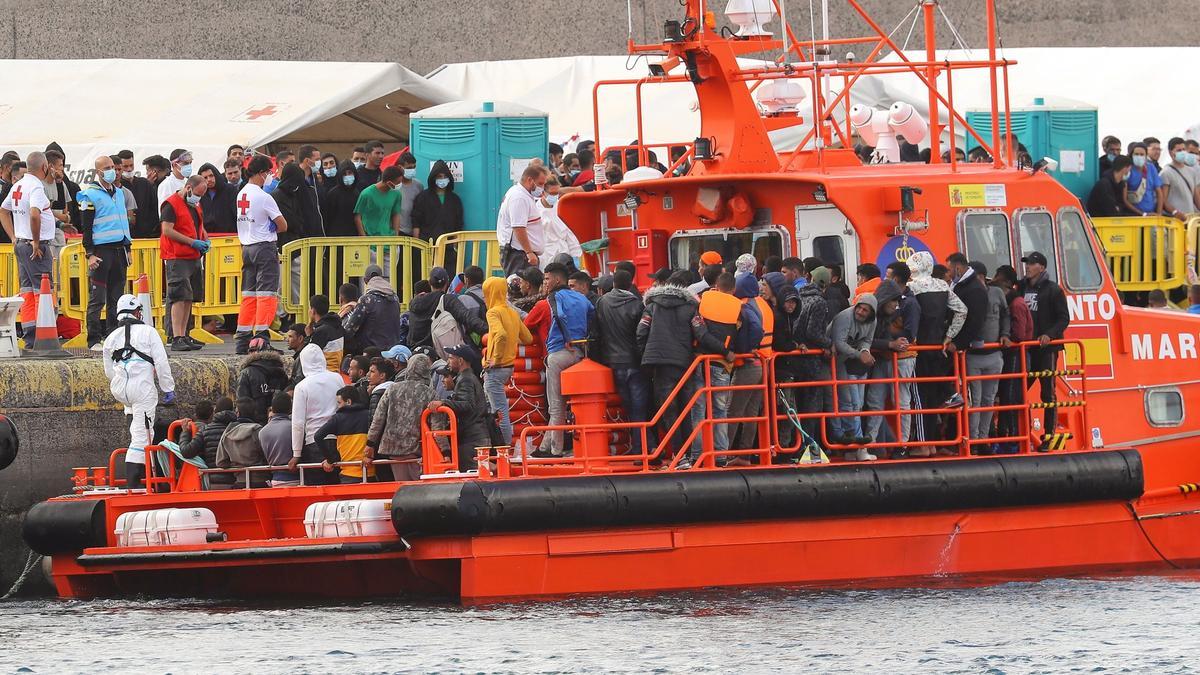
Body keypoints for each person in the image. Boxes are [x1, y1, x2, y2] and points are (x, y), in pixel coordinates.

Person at [638, 271, 721, 463]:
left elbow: (641, 332)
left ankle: (679, 454)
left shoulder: (652, 306)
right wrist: (724, 351)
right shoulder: (691, 308)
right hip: (684, 364)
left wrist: (646, 357)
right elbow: (701, 333)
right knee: (686, 410)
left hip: (660, 365)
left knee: (668, 411)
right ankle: (689, 454)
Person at [102, 294, 176, 489]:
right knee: (142, 436)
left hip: (120, 388)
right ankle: (134, 486)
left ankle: (142, 480)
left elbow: (108, 371)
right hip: (141, 388)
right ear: (136, 312)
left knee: (135, 423)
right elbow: (161, 363)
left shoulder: (110, 338)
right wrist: (168, 389)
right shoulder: (149, 332)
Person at [533, 262, 595, 458]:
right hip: (580, 353)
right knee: (572, 405)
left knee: (556, 405)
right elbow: (593, 315)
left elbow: (558, 314)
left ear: (557, 279)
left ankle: (556, 449)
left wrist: (567, 337)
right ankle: (544, 448)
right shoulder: (582, 298)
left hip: (560, 352)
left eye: (547, 278)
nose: (545, 283)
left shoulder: (554, 297)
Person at [907, 252, 966, 448]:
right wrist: (949, 336)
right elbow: (962, 310)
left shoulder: (911, 287)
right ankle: (931, 444)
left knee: (920, 397)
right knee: (931, 396)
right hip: (938, 346)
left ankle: (923, 445)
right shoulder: (942, 285)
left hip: (918, 347)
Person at [76, 155, 132, 351]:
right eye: (108, 168)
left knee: (116, 297)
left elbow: (123, 223)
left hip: (119, 250)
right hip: (101, 252)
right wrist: (89, 253)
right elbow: (87, 227)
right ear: (98, 172)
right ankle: (93, 339)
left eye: (114, 168)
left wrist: (128, 248)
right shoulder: (89, 195)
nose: (113, 171)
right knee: (97, 297)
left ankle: (113, 335)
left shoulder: (118, 193)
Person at [0, 152, 56, 342]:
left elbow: (3, 211)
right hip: (34, 247)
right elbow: (34, 214)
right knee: (43, 290)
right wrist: (37, 241)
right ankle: (45, 336)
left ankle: (31, 335)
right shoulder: (36, 187)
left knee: (28, 290)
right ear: (44, 167)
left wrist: (14, 237)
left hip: (21, 244)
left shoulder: (18, 185)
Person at [235, 155, 288, 354]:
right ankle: (261, 338)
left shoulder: (241, 194)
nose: (270, 177)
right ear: (261, 173)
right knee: (267, 294)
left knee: (248, 294)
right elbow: (283, 224)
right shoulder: (264, 196)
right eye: (269, 173)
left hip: (246, 247)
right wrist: (272, 226)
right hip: (264, 247)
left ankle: (243, 338)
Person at [860, 279, 920, 454]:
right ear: (885, 298)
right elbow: (867, 339)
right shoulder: (874, 313)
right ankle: (870, 444)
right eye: (893, 300)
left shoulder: (892, 312)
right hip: (882, 359)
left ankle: (901, 445)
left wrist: (892, 343)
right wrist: (891, 344)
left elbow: (904, 335)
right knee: (874, 400)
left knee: (898, 401)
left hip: (895, 359)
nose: (896, 305)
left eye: (897, 301)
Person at [1018, 251, 1071, 447]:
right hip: (1027, 347)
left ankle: (1049, 436)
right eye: (1027, 264)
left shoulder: (1053, 290)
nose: (1027, 267)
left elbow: (1064, 318)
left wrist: (1049, 334)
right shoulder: (1021, 286)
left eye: (1031, 264)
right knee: (1020, 391)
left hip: (1047, 349)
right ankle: (1024, 433)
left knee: (1047, 393)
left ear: (1041, 267)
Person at [595, 269, 650, 454]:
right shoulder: (636, 304)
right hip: (634, 362)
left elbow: (597, 331)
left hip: (612, 361)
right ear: (630, 283)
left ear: (613, 284)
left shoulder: (602, 302)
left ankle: (637, 447)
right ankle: (642, 449)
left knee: (628, 407)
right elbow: (642, 334)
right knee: (640, 408)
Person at [160, 174, 210, 351]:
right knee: (179, 297)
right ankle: (177, 336)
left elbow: (199, 225)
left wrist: (204, 238)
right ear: (188, 188)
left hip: (192, 256)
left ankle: (185, 334)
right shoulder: (171, 204)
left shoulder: (194, 204)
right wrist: (191, 242)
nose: (199, 198)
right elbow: (167, 230)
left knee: (189, 297)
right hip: (177, 256)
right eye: (198, 193)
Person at [482, 276, 533, 446]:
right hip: (508, 367)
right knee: (498, 409)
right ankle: (501, 447)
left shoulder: (493, 312)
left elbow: (501, 335)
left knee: (499, 412)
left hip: (497, 369)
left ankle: (503, 449)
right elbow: (527, 338)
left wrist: (495, 359)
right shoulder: (512, 312)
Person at [368, 353, 435, 482]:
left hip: (393, 450)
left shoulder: (392, 389)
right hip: (418, 450)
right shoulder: (429, 393)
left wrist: (370, 444)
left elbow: (378, 419)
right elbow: (437, 424)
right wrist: (445, 451)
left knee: (402, 487)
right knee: (420, 488)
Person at [965, 261, 1011, 449]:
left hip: (994, 354)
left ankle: (983, 439)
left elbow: (1006, 315)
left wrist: (1005, 334)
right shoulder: (967, 294)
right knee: (975, 400)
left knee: (988, 399)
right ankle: (974, 440)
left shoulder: (997, 293)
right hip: (973, 355)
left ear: (981, 277)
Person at [828, 293, 878, 460]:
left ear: (871, 314)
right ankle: (845, 437)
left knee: (853, 401)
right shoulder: (844, 317)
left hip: (846, 360)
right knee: (841, 399)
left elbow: (867, 341)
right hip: (831, 359)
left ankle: (853, 442)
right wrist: (859, 355)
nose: (861, 312)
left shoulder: (872, 322)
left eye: (865, 310)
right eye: (860, 308)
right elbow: (839, 343)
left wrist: (865, 351)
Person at [428, 345, 492, 470]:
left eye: (451, 358)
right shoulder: (467, 377)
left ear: (461, 360)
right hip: (475, 435)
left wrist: (443, 403)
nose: (448, 362)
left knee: (476, 473)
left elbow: (467, 404)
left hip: (472, 438)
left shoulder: (465, 379)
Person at [289, 343, 344, 484]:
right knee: (337, 483)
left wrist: (296, 453)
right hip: (338, 440)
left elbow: (298, 423)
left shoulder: (302, 386)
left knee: (318, 487)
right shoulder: (337, 378)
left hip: (314, 442)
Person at [993, 265, 1032, 454]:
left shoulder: (1016, 304)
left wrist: (1008, 338)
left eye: (998, 279)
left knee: (1011, 397)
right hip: (1012, 355)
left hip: (1016, 355)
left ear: (1008, 283)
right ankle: (1006, 437)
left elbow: (1020, 333)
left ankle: (1012, 439)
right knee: (1007, 397)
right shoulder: (1014, 302)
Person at [405, 266, 489, 351]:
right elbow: (466, 317)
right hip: (437, 352)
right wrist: (488, 330)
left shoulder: (415, 303)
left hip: (415, 351)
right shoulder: (447, 300)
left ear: (430, 283)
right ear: (446, 283)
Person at [314, 386, 374, 484]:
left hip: (348, 472)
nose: (338, 406)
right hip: (370, 471)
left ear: (348, 402)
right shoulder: (369, 415)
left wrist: (330, 459)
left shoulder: (337, 418)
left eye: (339, 403)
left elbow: (317, 436)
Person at [497, 165, 549, 275]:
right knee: (520, 288)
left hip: (522, 254)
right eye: (540, 183)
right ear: (530, 180)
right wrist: (529, 252)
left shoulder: (522, 194)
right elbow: (518, 227)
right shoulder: (519, 197)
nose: (542, 187)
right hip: (519, 255)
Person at [179, 397, 236, 481]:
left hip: (213, 478)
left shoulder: (205, 430)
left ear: (215, 411)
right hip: (239, 477)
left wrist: (185, 432)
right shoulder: (239, 428)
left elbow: (186, 451)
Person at [215, 399, 268, 486]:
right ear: (254, 413)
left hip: (239, 482)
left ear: (237, 413)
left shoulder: (227, 433)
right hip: (261, 481)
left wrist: (236, 465)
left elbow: (220, 462)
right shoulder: (258, 431)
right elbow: (267, 456)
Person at [236, 343, 289, 425]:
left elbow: (243, 401)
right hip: (278, 420)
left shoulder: (247, 372)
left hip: (254, 423)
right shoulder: (280, 371)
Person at [273, 163, 324, 245]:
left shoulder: (296, 193)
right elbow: (290, 221)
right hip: (285, 243)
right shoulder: (277, 196)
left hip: (300, 242)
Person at [259, 391, 299, 486]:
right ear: (290, 408)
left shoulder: (262, 431)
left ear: (273, 409)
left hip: (275, 479)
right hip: (297, 477)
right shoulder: (294, 427)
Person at [353, 166, 404, 237]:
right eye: (398, 183)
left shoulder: (397, 194)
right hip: (370, 239)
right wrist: (363, 236)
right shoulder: (366, 194)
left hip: (389, 239)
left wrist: (396, 236)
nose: (400, 185)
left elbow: (396, 214)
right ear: (389, 183)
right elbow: (357, 216)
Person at [1160, 137, 1198, 220]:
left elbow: (1196, 196)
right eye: (1179, 150)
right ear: (1171, 153)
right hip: (1175, 220)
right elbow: (1163, 199)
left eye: (1184, 149)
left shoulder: (1191, 171)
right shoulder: (1166, 172)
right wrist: (1175, 212)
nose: (1182, 152)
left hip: (1190, 219)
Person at [320, 161, 360, 237]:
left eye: (350, 173)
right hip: (336, 238)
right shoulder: (333, 194)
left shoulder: (357, 193)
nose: (347, 176)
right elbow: (328, 218)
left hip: (353, 237)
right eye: (344, 174)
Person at [1124, 142, 1164, 217]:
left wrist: (1159, 214)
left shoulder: (1151, 168)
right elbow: (1124, 199)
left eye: (1142, 154)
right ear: (1131, 155)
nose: (1139, 156)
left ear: (1146, 156)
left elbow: (1159, 192)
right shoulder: (1128, 170)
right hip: (1133, 215)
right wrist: (1143, 214)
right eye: (1136, 154)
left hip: (1151, 214)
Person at [308, 294, 346, 373]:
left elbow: (309, 355)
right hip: (336, 371)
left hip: (323, 372)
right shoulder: (337, 325)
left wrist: (308, 336)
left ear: (313, 311)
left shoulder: (321, 331)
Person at [196, 162, 238, 234]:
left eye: (211, 176)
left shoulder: (230, 190)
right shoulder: (201, 194)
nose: (209, 179)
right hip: (208, 236)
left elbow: (236, 214)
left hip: (229, 236)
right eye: (205, 178)